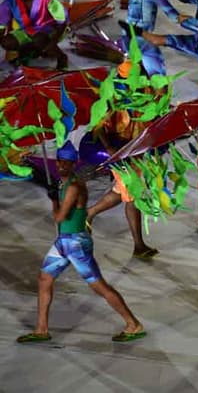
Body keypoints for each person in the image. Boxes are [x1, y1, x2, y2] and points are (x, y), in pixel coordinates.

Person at [17, 142, 145, 343]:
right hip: (63, 242)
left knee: (99, 287)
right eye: (60, 162)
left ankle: (133, 324)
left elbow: (60, 217)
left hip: (75, 244)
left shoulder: (74, 187)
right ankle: (42, 329)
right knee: (44, 280)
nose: (62, 166)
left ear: (74, 163)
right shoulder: (64, 183)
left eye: (67, 163)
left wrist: (52, 199)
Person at [86, 61, 158, 261]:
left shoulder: (147, 89)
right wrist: (109, 148)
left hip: (138, 149)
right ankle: (138, 245)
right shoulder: (112, 96)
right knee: (132, 194)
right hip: (119, 149)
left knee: (121, 190)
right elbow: (97, 125)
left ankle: (89, 213)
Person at [119, 0, 189, 76]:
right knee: (156, 77)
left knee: (132, 71)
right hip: (141, 37)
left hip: (128, 32)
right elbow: (174, 16)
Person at [0, 0, 68, 69]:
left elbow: (62, 21)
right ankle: (34, 53)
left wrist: (53, 41)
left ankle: (62, 58)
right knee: (7, 41)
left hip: (51, 30)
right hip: (28, 31)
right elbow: (1, 23)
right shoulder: (11, 1)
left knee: (39, 39)